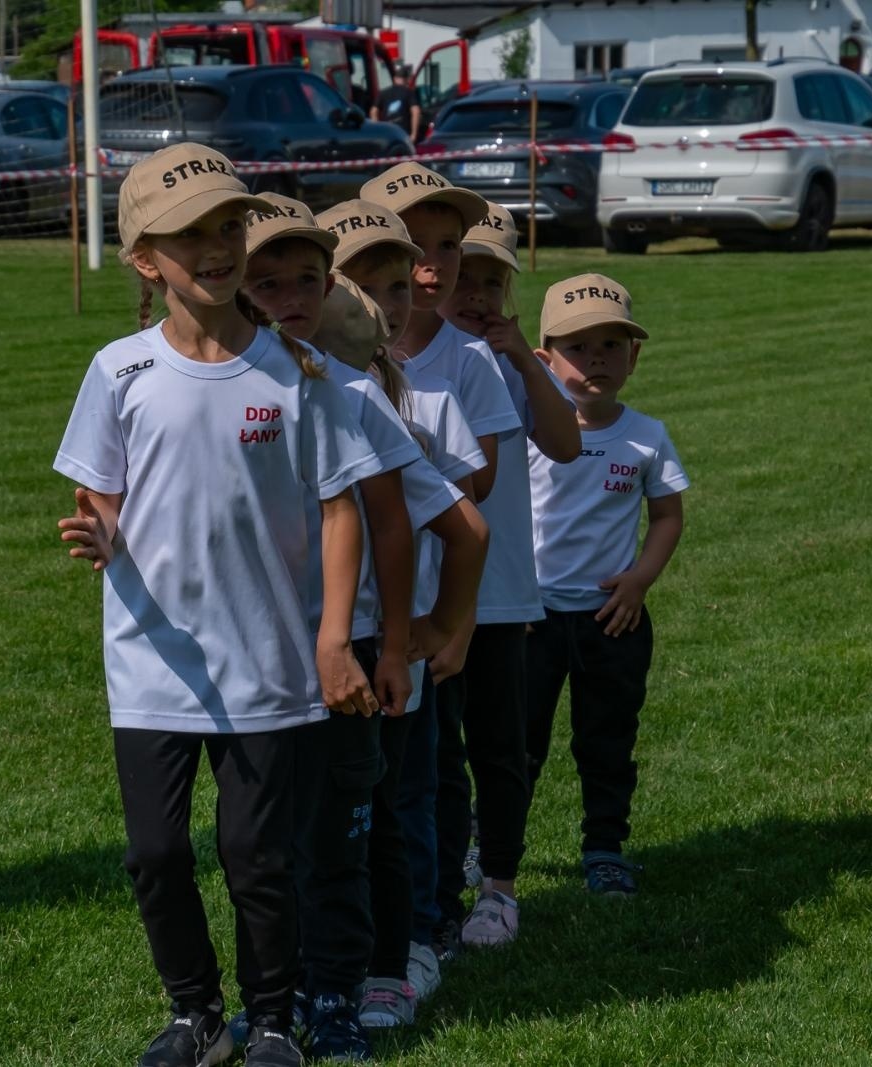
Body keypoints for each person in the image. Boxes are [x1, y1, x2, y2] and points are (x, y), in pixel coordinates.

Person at [54, 143, 379, 1067]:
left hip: (270, 662)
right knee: (155, 855)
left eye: (228, 225)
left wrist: (331, 638)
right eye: (188, 233)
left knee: (258, 859)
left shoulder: (297, 371)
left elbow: (339, 505)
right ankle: (196, 1013)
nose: (216, 246)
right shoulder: (117, 370)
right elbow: (104, 499)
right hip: (152, 659)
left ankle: (273, 1019)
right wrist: (104, 535)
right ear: (144, 259)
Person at [240, 198, 486, 1058]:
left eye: (306, 282)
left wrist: (432, 634)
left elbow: (461, 527)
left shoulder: (348, 396)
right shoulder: (247, 392)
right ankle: (301, 982)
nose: (285, 299)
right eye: (264, 281)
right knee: (293, 835)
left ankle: (380, 965)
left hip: (363, 666)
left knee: (374, 819)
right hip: (280, 666)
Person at [435, 202, 581, 937]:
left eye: (495, 283)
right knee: (433, 747)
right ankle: (443, 863)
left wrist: (525, 355)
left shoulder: (510, 365)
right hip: (427, 589)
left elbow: (565, 445)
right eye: (469, 275)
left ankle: (499, 883)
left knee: (500, 742)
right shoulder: (409, 354)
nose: (478, 296)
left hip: (501, 592)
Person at [524, 273, 687, 898]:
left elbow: (668, 515)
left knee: (607, 740)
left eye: (612, 345)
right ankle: (489, 847)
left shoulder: (646, 435)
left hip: (611, 620)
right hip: (532, 619)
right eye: (579, 346)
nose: (597, 359)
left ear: (634, 357)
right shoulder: (529, 434)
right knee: (518, 743)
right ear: (544, 360)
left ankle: (605, 847)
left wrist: (640, 581)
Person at [371, 64, 422, 144]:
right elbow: (416, 111)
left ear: (395, 79)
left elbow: (373, 111)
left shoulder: (383, 93)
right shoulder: (409, 93)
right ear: (407, 80)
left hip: (387, 134)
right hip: (404, 135)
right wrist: (414, 135)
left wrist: (377, 131)